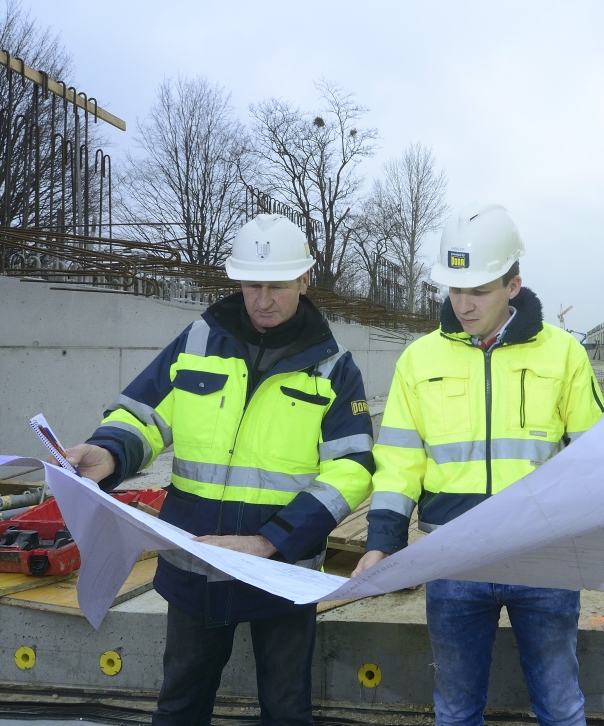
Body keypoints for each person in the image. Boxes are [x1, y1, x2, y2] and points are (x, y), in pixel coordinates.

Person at [63, 214, 374, 726]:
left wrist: (271, 540)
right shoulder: (198, 341)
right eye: (252, 284)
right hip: (196, 565)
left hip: (280, 572)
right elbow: (144, 416)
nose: (263, 299)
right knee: (181, 705)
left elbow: (352, 469)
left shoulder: (333, 367)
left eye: (276, 286)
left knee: (286, 711)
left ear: (304, 280)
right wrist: (111, 453)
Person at [353, 203, 604, 726]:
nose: (463, 305)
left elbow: (597, 456)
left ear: (513, 284)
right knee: (455, 708)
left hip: (544, 555)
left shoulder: (564, 355)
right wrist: (383, 542)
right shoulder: (419, 360)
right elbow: (399, 460)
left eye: (479, 291)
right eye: (454, 289)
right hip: (455, 556)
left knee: (560, 706)